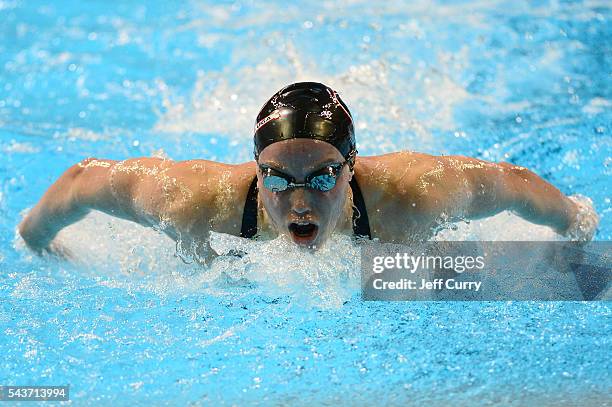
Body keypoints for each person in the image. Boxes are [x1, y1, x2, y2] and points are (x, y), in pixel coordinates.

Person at [18, 82, 599, 262]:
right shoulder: (195, 204)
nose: (299, 199)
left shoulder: (414, 196)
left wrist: (574, 218)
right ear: (255, 169)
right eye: (277, 177)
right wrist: (35, 241)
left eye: (322, 177)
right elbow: (79, 183)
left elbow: (509, 183)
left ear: (351, 169)